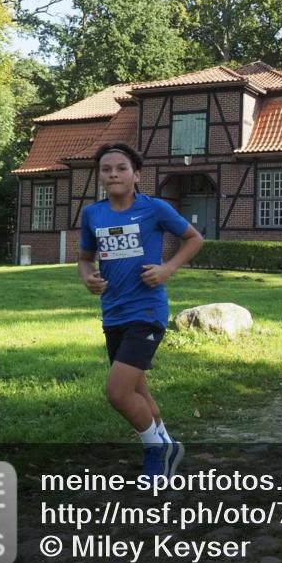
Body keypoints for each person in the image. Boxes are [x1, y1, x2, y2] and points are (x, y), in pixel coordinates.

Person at [78, 143, 204, 480]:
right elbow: (85, 258)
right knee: (138, 391)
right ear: (100, 176)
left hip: (147, 311)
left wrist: (167, 269)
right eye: (106, 169)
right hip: (113, 313)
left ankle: (155, 449)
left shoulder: (154, 208)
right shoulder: (93, 214)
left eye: (121, 168)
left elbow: (194, 238)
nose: (113, 174)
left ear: (136, 174)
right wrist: (88, 277)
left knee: (118, 392)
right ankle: (169, 444)